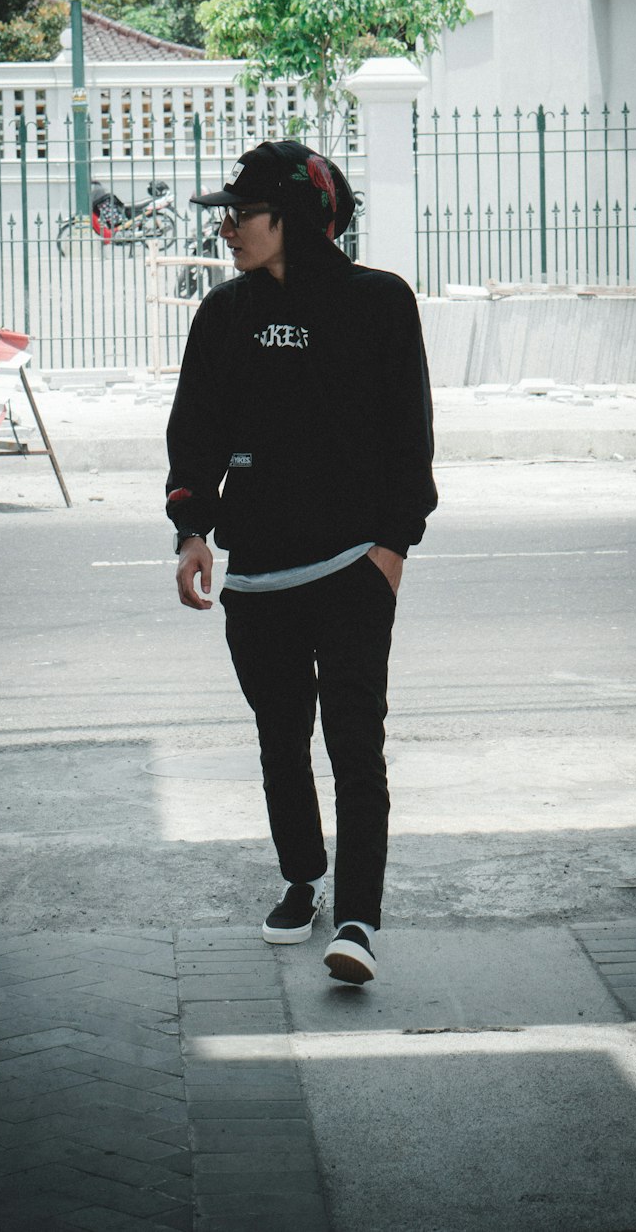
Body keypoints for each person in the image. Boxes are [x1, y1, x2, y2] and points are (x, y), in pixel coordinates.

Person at [166, 140, 436, 985]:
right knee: (281, 743)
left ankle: (356, 918)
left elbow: (410, 437)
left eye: (241, 215)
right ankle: (303, 879)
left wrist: (392, 548)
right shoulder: (224, 312)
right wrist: (192, 531)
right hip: (259, 578)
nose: (228, 230)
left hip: (354, 565)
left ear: (295, 218)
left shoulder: (379, 302)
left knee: (356, 744)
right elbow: (195, 431)